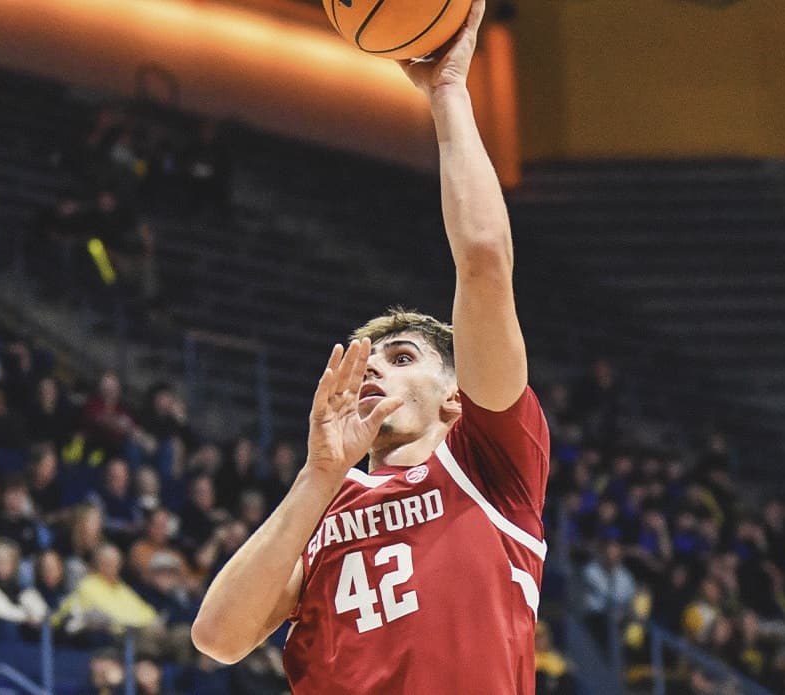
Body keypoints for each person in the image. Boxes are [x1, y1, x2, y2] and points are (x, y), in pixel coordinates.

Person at [193, 2, 550, 692]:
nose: (375, 368)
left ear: (455, 394)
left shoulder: (491, 462)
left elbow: (482, 258)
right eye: (368, 359)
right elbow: (217, 636)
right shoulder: (323, 510)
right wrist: (317, 476)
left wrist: (447, 92)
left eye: (403, 356)